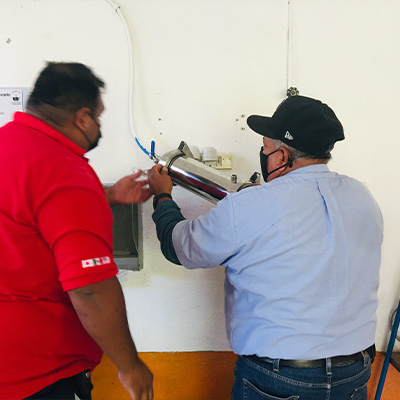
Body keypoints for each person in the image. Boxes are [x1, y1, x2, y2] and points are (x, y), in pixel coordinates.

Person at [147, 95, 383, 400]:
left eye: (265, 148)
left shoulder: (250, 206)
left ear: (282, 156)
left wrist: (163, 196)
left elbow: (179, 247)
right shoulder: (361, 196)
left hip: (278, 379)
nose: (263, 154)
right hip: (353, 373)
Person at [0, 62, 154, 400]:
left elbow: (26, 212)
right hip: (37, 375)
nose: (99, 126)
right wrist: (130, 366)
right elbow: (90, 289)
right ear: (82, 118)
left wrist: (107, 195)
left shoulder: (8, 145)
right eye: (98, 117)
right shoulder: (63, 171)